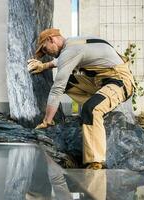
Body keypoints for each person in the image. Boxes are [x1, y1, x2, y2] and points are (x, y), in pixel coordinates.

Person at [27, 28, 136, 170]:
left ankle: (95, 163)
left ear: (51, 39)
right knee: (69, 81)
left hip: (120, 81)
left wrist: (47, 121)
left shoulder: (70, 50)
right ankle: (95, 108)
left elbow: (57, 89)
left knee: (91, 109)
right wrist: (44, 66)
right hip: (100, 81)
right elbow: (61, 61)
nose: (47, 54)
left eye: (46, 50)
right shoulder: (73, 43)